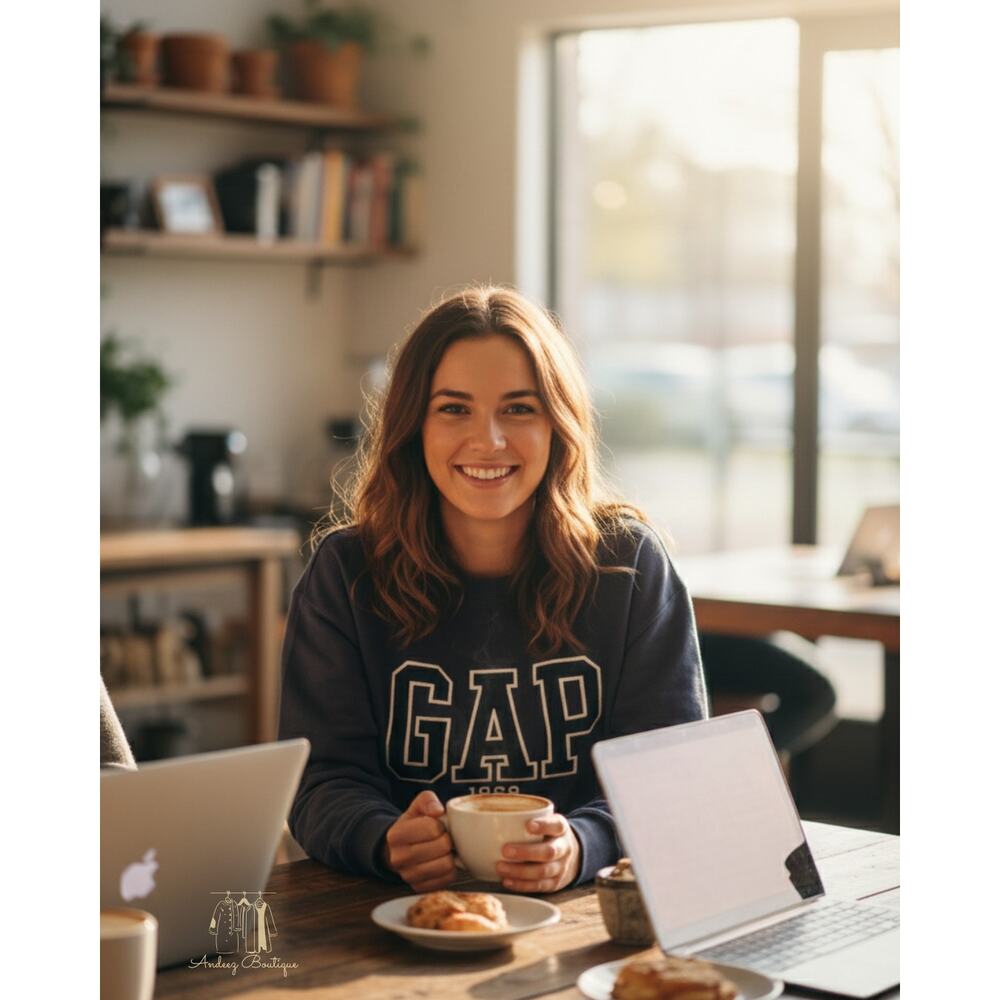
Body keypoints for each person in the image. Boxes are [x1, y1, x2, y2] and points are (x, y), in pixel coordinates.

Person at [278, 285, 707, 894]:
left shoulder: (630, 566)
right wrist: (382, 838)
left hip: (587, 916)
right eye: (454, 408)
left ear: (559, 424)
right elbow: (320, 782)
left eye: (519, 409)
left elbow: (673, 778)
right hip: (394, 916)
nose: (489, 440)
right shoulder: (345, 573)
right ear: (413, 425)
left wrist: (583, 844)